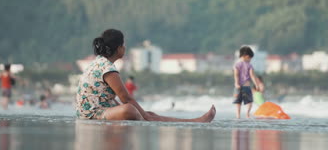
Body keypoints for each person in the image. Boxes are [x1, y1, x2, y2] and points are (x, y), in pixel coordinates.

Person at [75, 29, 216, 122]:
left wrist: (145, 114)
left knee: (146, 113)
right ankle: (196, 121)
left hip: (98, 110)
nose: (125, 48)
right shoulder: (107, 68)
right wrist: (144, 115)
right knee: (131, 110)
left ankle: (195, 121)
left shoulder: (99, 62)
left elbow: (109, 98)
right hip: (92, 114)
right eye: (123, 45)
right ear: (118, 48)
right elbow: (126, 98)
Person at [233, 46, 259, 119]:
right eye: (250, 58)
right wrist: (256, 84)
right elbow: (252, 76)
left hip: (238, 86)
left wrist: (236, 83)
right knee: (250, 102)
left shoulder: (236, 64)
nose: (250, 60)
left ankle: (238, 116)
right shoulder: (249, 65)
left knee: (238, 102)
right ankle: (247, 114)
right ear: (247, 56)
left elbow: (236, 75)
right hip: (246, 86)